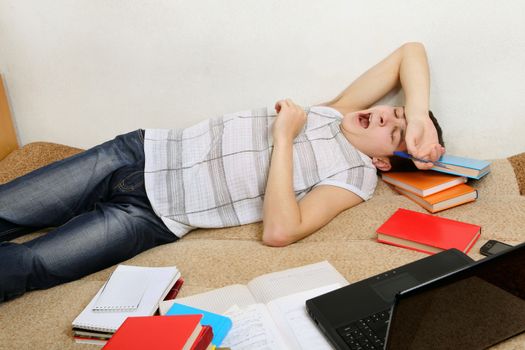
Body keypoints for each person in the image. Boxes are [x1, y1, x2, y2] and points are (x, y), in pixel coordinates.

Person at [0, 42, 444, 302]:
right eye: (396, 111)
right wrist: (419, 118)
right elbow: (411, 52)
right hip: (135, 154)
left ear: (383, 162)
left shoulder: (355, 177)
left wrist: (284, 138)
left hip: (152, 217)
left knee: (34, 264)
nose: (388, 117)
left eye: (397, 133)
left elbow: (281, 231)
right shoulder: (337, 111)